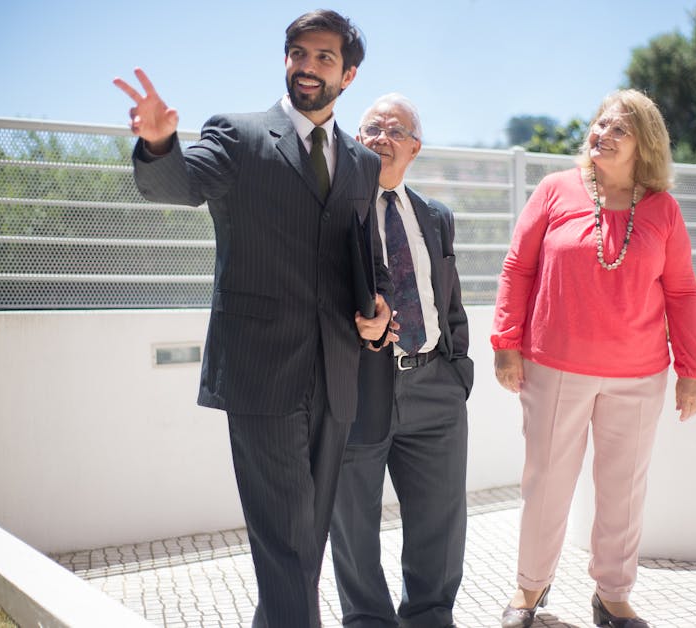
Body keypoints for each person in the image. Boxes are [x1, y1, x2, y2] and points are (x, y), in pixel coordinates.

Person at [113, 11, 394, 628]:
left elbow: (364, 259)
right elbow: (181, 184)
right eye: (298, 53)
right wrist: (160, 145)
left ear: (348, 75)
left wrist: (378, 312)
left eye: (324, 57)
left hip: (336, 374)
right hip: (261, 372)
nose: (307, 67)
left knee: (301, 541)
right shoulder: (238, 136)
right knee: (287, 542)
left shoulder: (361, 162)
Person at [491, 89, 696, 628]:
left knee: (623, 491)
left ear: (644, 145)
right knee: (547, 484)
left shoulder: (663, 209)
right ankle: (529, 589)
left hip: (638, 376)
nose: (602, 134)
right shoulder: (555, 190)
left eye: (619, 129)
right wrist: (505, 343)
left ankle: (612, 596)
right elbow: (518, 267)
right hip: (555, 365)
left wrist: (691, 370)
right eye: (600, 123)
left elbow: (682, 292)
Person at [328, 93, 474, 628]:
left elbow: (448, 298)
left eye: (395, 130)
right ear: (355, 141)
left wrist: (457, 372)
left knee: (440, 521)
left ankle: (430, 617)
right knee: (353, 522)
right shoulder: (335, 213)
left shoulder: (436, 216)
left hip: (435, 384)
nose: (382, 138)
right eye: (372, 128)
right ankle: (368, 620)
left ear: (415, 147)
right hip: (359, 387)